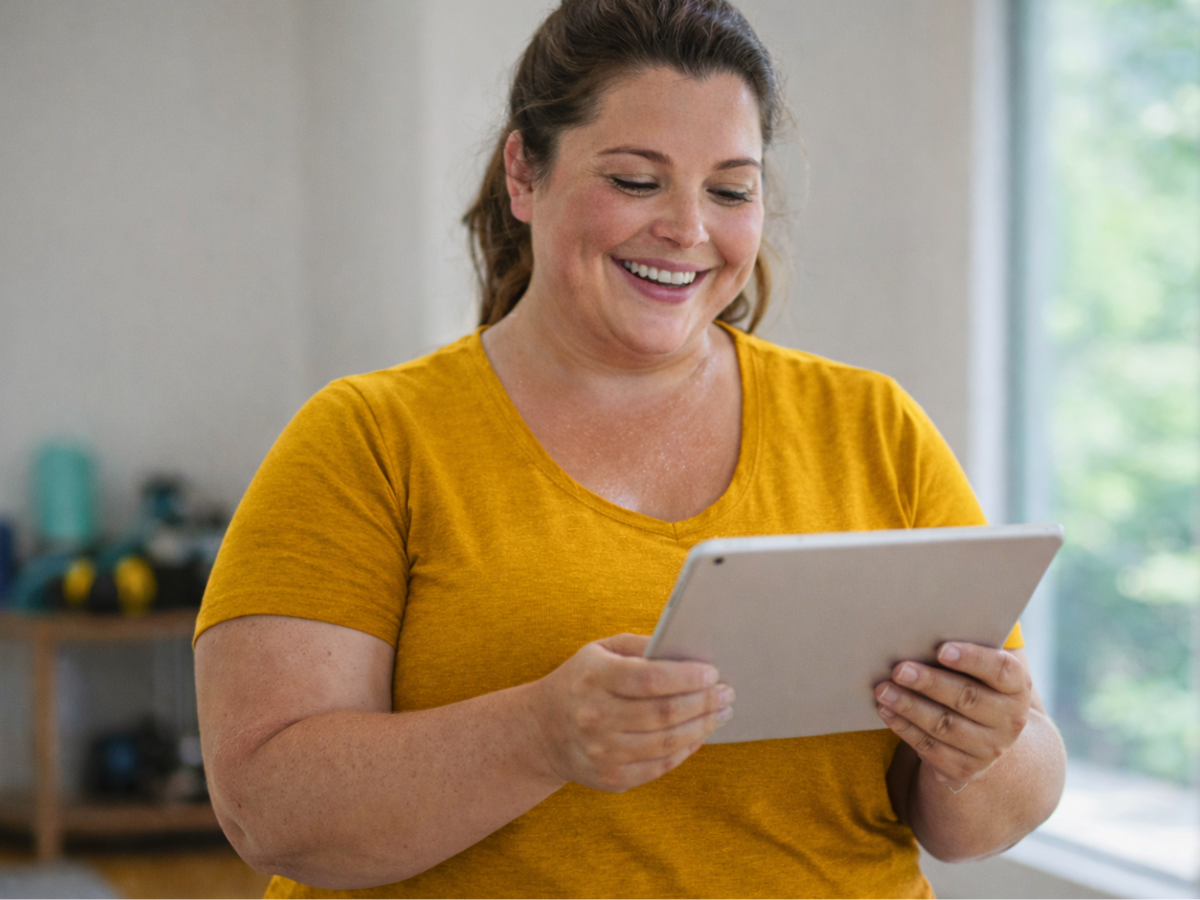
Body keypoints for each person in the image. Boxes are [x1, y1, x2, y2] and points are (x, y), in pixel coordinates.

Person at [194, 0, 1067, 896]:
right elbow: (268, 809)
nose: (688, 229)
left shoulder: (873, 428)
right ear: (523, 176)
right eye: (637, 180)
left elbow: (992, 805)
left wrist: (981, 747)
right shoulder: (367, 439)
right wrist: (539, 736)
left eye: (730, 189)